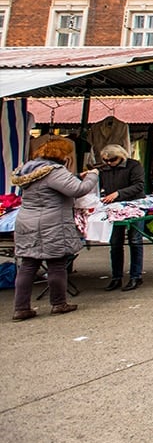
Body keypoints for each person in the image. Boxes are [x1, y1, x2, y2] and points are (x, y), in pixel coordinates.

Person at [11, 135, 99, 320]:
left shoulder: (28, 169)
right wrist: (92, 176)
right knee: (57, 263)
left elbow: (51, 186)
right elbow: (78, 190)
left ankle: (21, 308)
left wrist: (75, 177)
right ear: (62, 154)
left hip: (26, 220)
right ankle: (59, 303)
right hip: (51, 222)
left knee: (28, 265)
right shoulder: (55, 171)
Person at [99, 144, 147, 292]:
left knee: (135, 240)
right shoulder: (104, 169)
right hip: (114, 207)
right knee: (115, 243)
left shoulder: (134, 166)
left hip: (135, 204)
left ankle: (135, 276)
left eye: (112, 160)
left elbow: (139, 185)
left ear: (121, 156)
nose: (109, 163)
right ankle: (116, 277)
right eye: (106, 160)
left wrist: (118, 193)